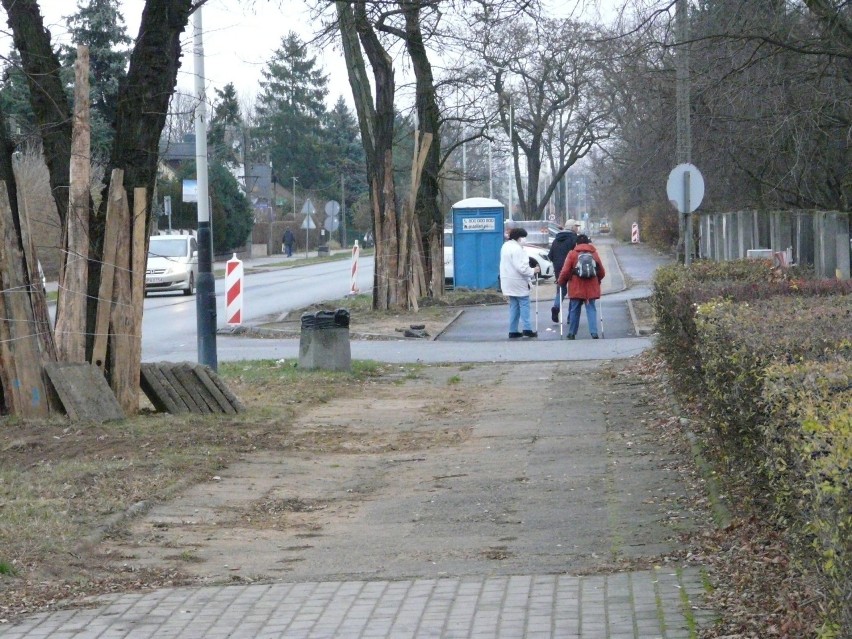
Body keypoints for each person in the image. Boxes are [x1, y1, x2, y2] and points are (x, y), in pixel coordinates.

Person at [556, 233, 606, 340]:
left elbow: (565, 271)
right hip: (591, 286)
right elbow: (601, 271)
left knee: (574, 309)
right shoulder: (594, 253)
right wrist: (598, 280)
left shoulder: (572, 254)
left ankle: (572, 333)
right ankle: (594, 333)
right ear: (588, 242)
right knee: (591, 309)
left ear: (576, 243)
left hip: (576, 286)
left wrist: (561, 282)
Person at [500, 227, 540, 339]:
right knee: (524, 304)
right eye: (523, 237)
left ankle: (512, 330)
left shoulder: (505, 246)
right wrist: (533, 270)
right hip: (518, 281)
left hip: (507, 280)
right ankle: (527, 329)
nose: (524, 239)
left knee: (514, 306)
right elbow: (522, 268)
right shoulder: (518, 249)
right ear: (518, 237)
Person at [547, 219, 580, 322]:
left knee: (561, 289)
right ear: (572, 227)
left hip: (558, 268)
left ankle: (556, 307)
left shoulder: (556, 239)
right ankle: (571, 317)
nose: (577, 228)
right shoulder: (574, 239)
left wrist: (557, 264)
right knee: (573, 291)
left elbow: (550, 255)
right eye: (576, 226)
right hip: (571, 268)